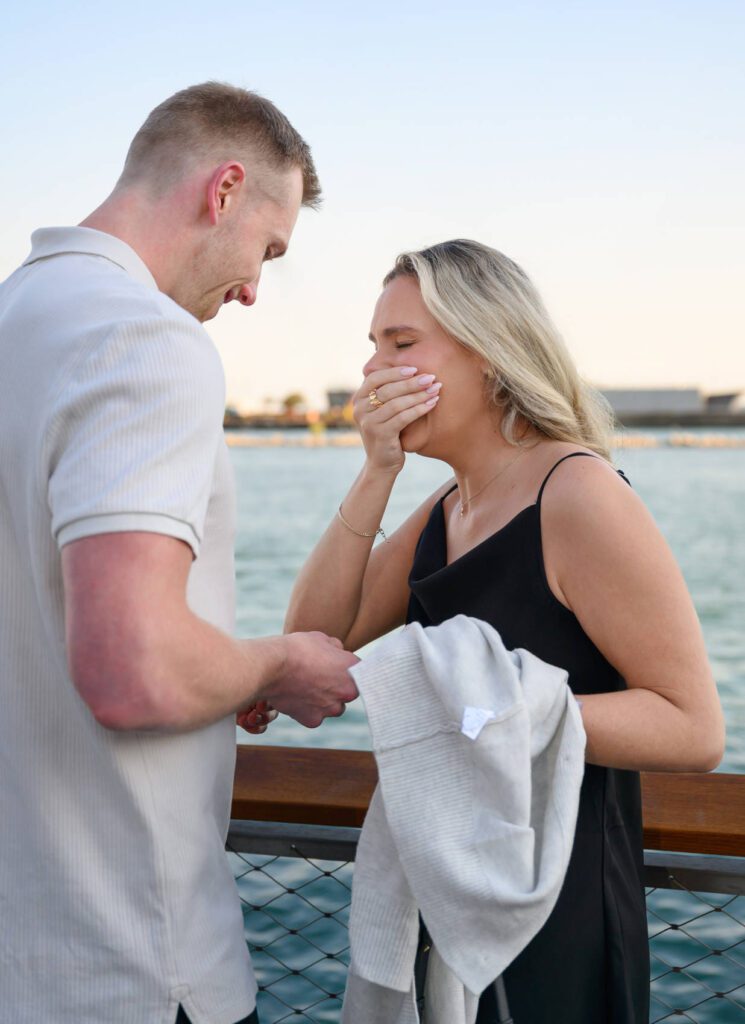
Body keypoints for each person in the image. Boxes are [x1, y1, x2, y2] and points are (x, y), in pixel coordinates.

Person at [284, 238, 725, 1023]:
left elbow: (693, 729)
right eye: (372, 349)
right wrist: (375, 471)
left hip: (556, 903)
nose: (371, 373)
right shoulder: (446, 505)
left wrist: (482, 713)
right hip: (445, 887)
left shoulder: (576, 493)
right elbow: (312, 639)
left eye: (401, 343)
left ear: (487, 352)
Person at [0, 82, 358, 1024]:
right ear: (225, 189)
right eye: (267, 251)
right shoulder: (145, 339)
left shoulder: (14, 322)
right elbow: (131, 670)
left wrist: (221, 671)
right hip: (128, 963)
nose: (250, 287)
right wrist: (280, 663)